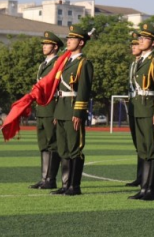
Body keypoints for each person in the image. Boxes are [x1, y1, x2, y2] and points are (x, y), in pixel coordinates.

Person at [51, 25, 94, 196]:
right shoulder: (65, 62)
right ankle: (65, 184)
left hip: (72, 108)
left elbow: (84, 90)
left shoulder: (84, 63)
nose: (68, 41)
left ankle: (74, 186)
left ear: (81, 42)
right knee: (63, 149)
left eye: (72, 38)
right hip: (61, 108)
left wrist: (78, 112)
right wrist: (56, 112)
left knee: (75, 148)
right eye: (68, 38)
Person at [128, 24, 154, 201]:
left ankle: (151, 189)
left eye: (144, 38)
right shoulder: (140, 62)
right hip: (138, 108)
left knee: (152, 150)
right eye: (140, 38)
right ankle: (143, 188)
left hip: (150, 109)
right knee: (143, 150)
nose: (140, 40)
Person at [29, 31, 64, 190]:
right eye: (43, 44)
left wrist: (57, 112)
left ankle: (51, 179)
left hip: (52, 108)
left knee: (52, 144)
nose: (44, 46)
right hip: (42, 109)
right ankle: (44, 178)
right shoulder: (43, 64)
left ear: (55, 47)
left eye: (47, 44)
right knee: (43, 143)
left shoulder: (58, 63)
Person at [126, 32, 144, 187]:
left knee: (145, 144)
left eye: (136, 44)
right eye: (132, 45)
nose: (133, 47)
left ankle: (145, 177)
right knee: (137, 144)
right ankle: (140, 176)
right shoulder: (133, 64)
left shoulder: (147, 63)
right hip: (133, 105)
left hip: (143, 105)